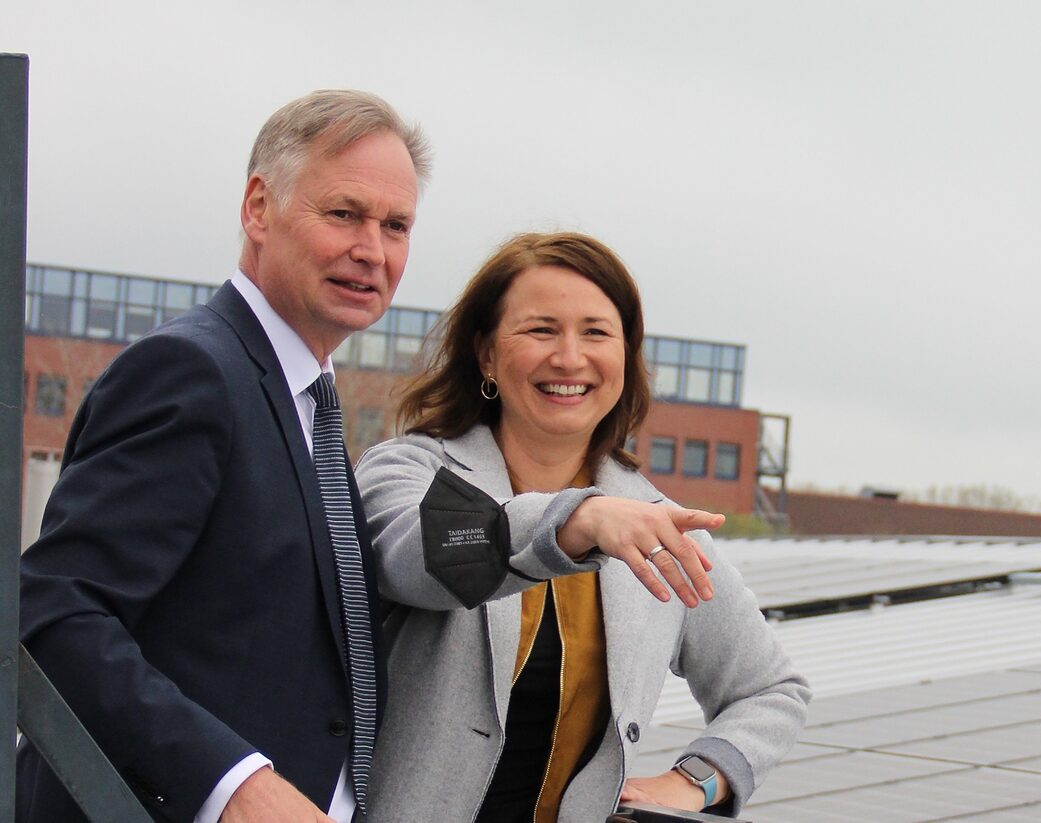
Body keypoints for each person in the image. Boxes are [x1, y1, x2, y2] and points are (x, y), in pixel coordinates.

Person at [14, 90, 431, 823]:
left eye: (395, 225)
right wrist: (231, 780)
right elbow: (55, 611)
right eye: (343, 213)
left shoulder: (310, 403)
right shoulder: (192, 373)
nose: (373, 249)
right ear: (258, 208)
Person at [355, 232, 810, 822]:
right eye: (541, 330)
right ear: (486, 354)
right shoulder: (405, 469)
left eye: (596, 332)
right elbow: (418, 559)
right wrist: (575, 520)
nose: (570, 358)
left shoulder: (659, 526)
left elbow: (771, 690)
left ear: (626, 356)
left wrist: (695, 778)